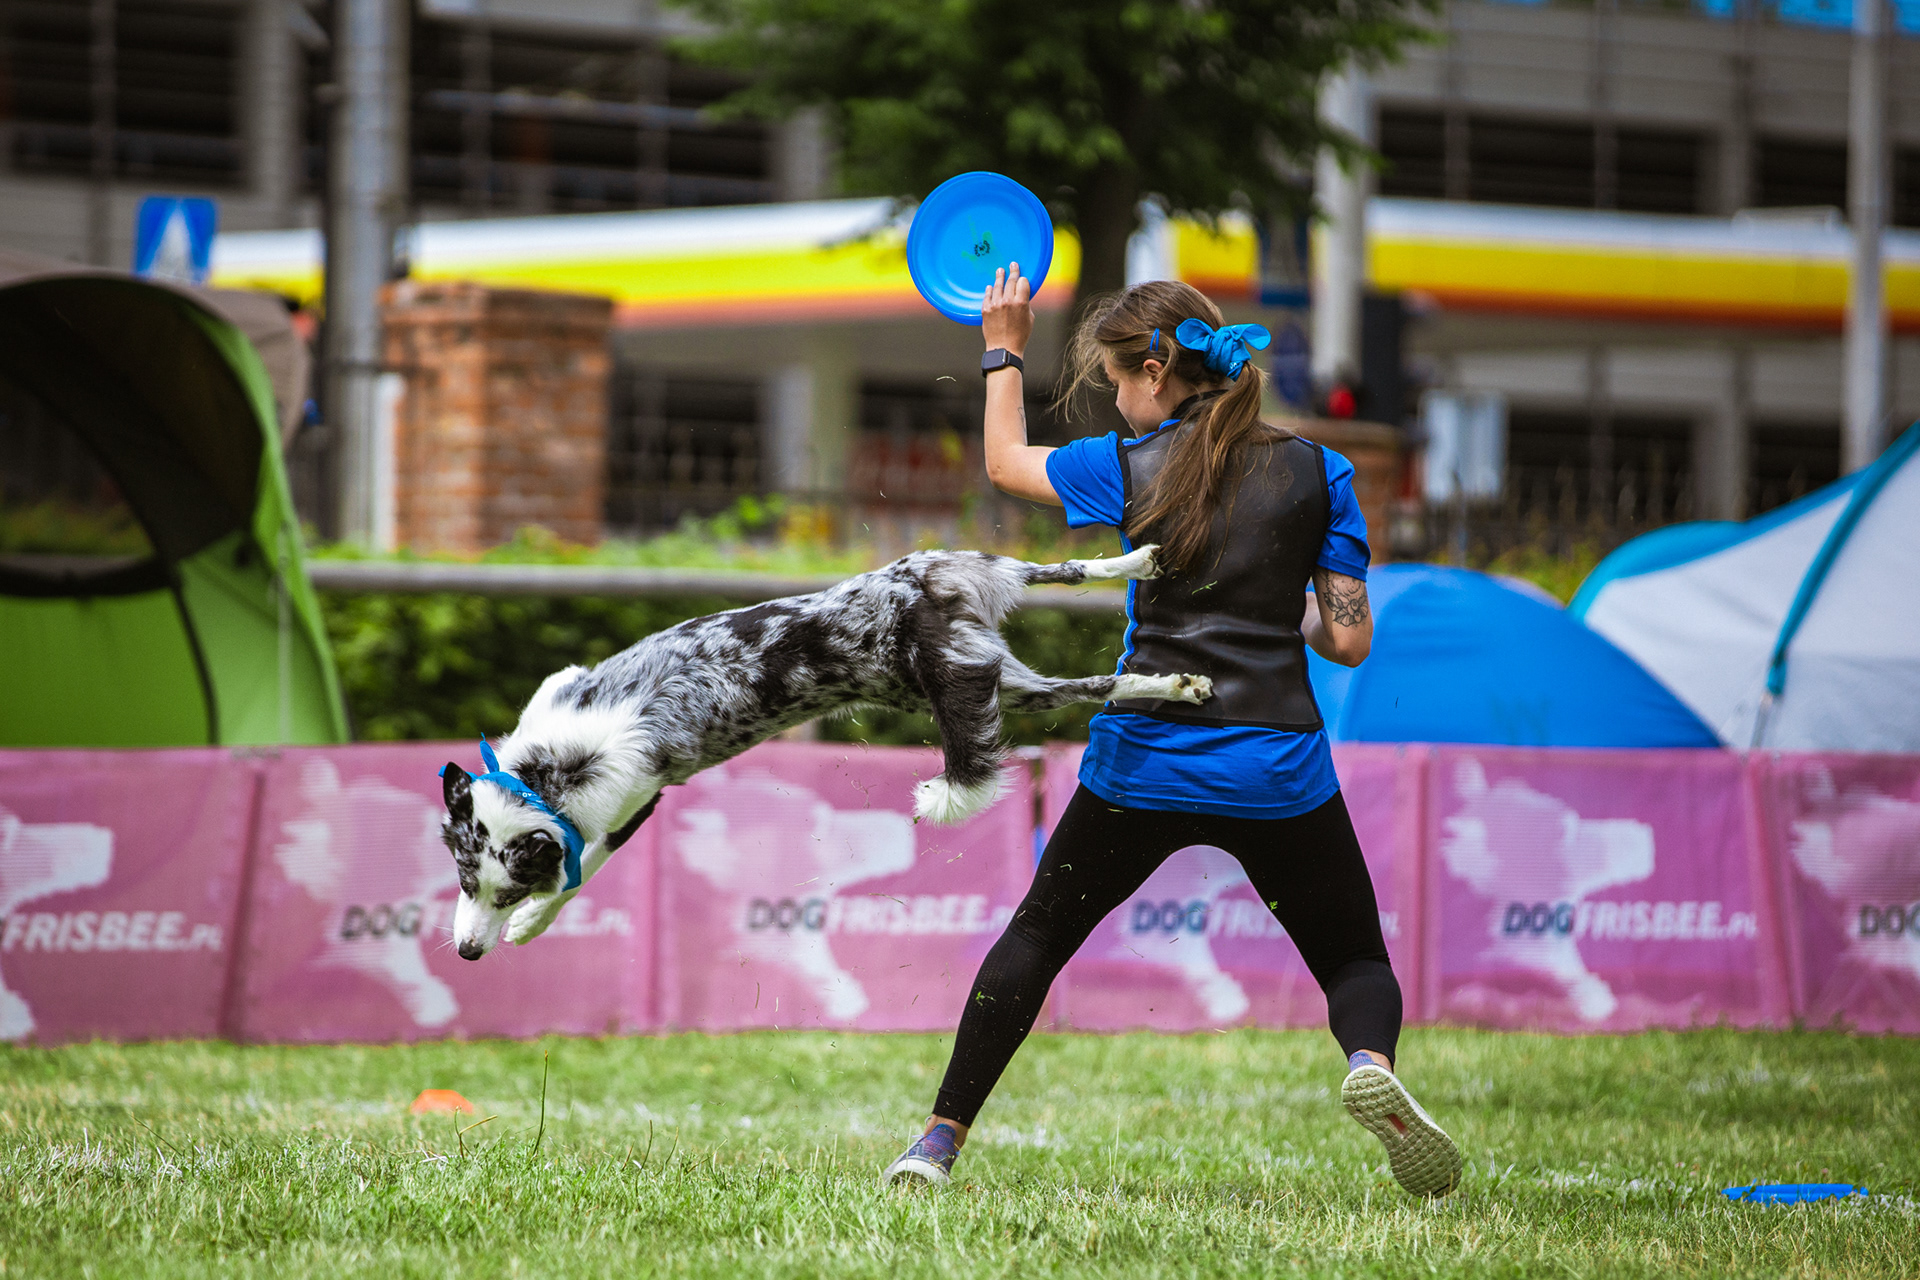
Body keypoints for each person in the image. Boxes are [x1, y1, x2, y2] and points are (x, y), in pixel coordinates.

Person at [882, 269, 1462, 1198]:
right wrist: (1276, 609)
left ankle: (936, 1144)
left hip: (1144, 763)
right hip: (1276, 767)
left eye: (1117, 380)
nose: (1117, 399)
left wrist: (1003, 349)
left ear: (1155, 372)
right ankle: (1371, 1065)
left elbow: (1005, 463)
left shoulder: (1124, 463)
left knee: (1038, 936)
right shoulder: (1321, 471)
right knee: (1354, 957)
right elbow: (1349, 641)